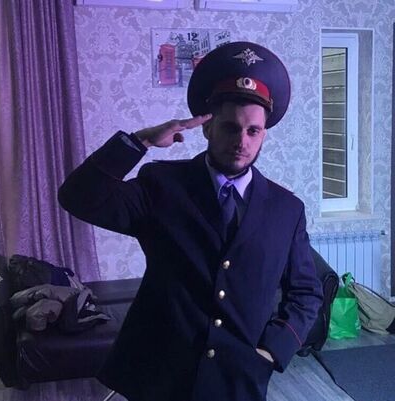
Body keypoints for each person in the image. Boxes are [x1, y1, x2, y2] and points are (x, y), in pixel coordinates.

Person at [58, 41, 323, 401]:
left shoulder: (286, 209)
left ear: (264, 134)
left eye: (253, 131)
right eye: (230, 127)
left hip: (236, 381)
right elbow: (78, 197)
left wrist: (273, 351)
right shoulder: (162, 185)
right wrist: (140, 142)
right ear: (207, 128)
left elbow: (305, 292)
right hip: (158, 376)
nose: (241, 141)